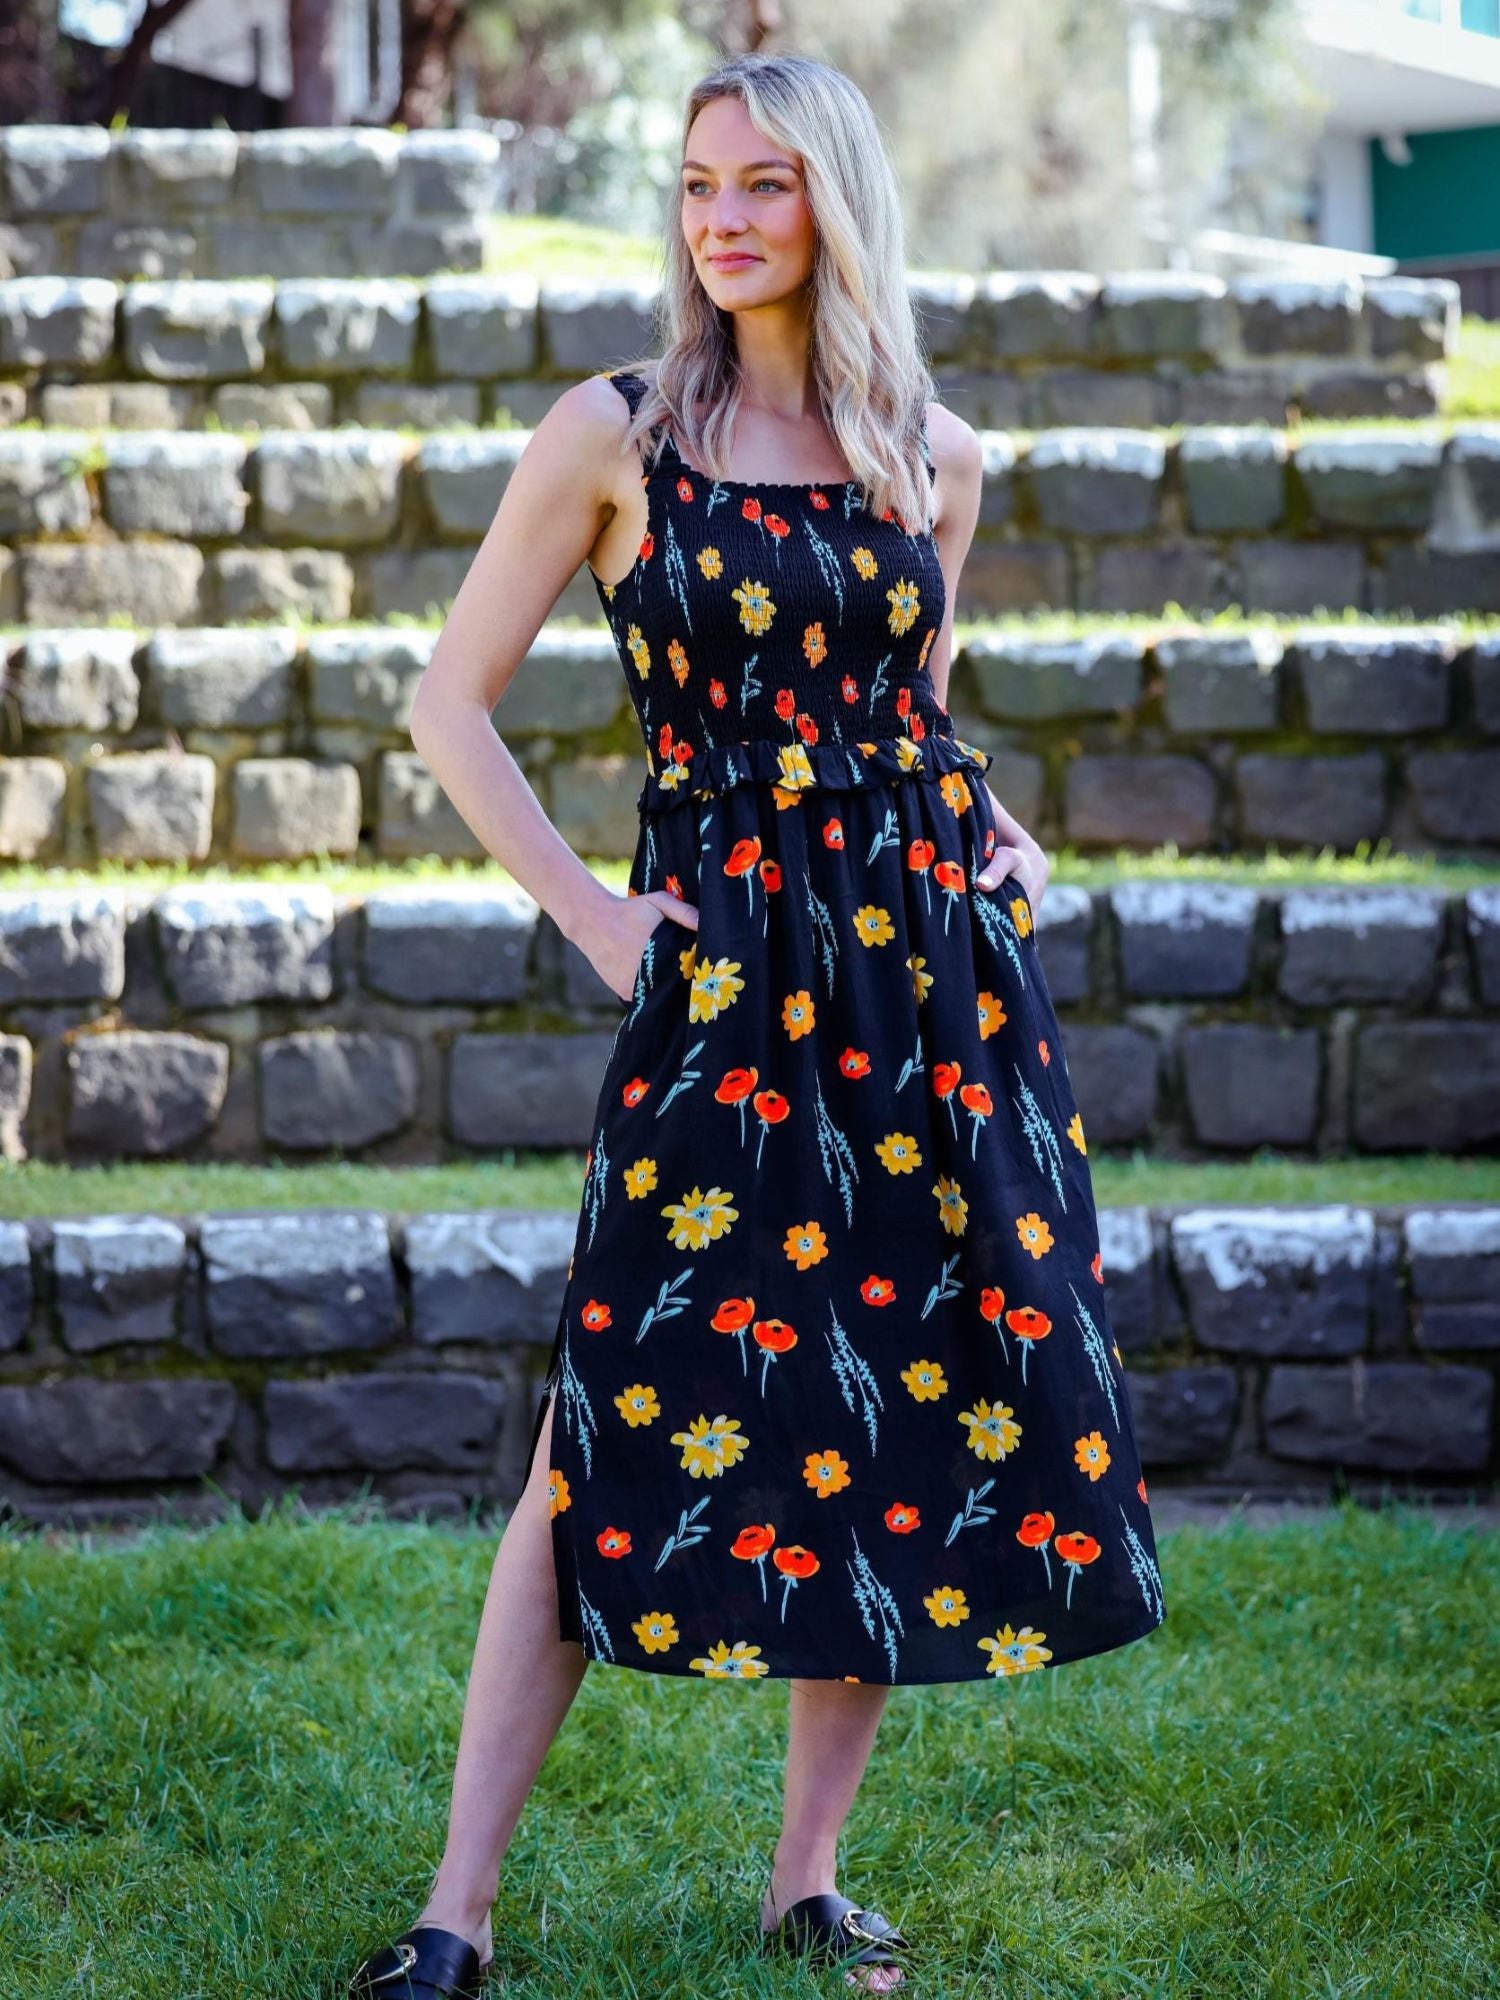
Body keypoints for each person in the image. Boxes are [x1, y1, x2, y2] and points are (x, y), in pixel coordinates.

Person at [348, 49, 1164, 2000]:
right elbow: (447, 702)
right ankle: (455, 1909)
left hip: (923, 991)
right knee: (592, 1427)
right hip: (718, 991)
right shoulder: (617, 434)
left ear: (838, 205)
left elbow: (910, 720)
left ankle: (807, 1877)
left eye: (768, 186)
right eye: (701, 182)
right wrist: (593, 911)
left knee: (882, 1403)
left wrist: (993, 828)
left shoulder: (931, 456)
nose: (725, 218)